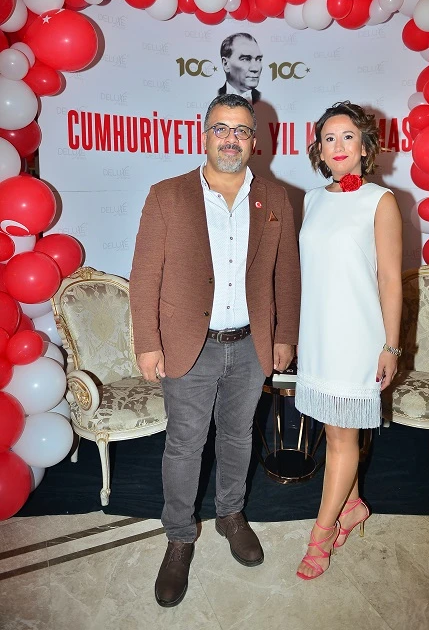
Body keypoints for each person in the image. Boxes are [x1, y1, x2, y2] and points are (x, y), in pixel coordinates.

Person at [129, 93, 300, 607]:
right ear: (204, 135)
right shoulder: (166, 195)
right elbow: (145, 276)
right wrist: (147, 343)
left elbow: (287, 275)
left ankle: (230, 514)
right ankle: (180, 536)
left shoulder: (275, 197)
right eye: (221, 128)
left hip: (250, 344)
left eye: (241, 130)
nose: (231, 139)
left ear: (254, 140)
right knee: (184, 445)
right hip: (189, 346)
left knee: (238, 436)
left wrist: (285, 336)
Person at [295, 101, 402, 581]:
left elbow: (389, 280)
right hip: (319, 334)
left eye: (347, 136)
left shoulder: (380, 201)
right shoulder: (312, 200)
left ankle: (319, 538)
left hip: (358, 335)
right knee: (334, 428)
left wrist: (391, 346)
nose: (337, 146)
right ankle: (353, 505)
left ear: (364, 147)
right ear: (319, 150)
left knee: (342, 437)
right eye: (329, 138)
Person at [218, 33, 263, 104]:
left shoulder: (265, 101)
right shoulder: (213, 97)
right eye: (245, 59)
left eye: (259, 59)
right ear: (226, 64)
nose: (255, 69)